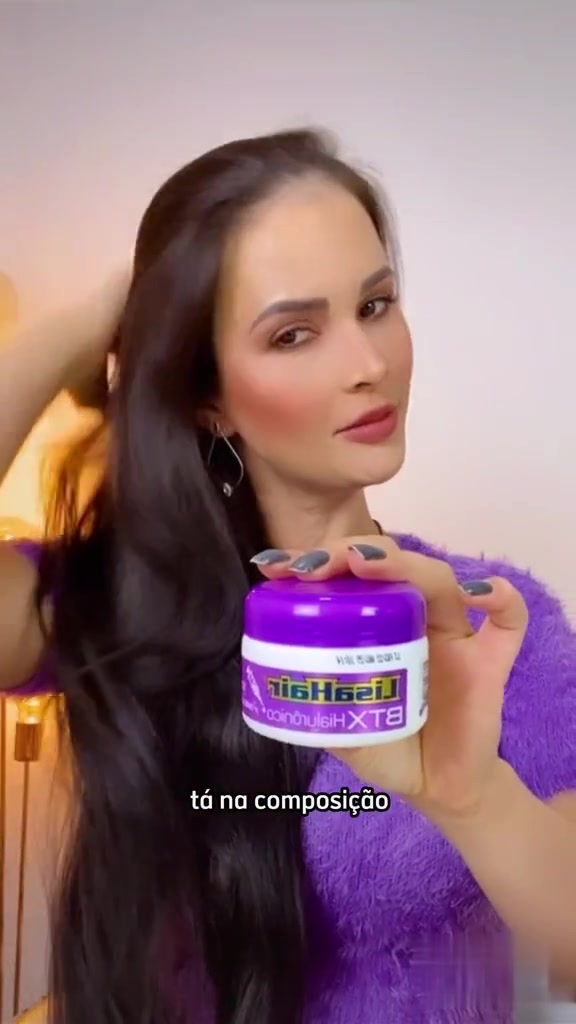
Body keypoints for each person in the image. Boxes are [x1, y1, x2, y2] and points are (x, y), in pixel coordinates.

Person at [0, 127, 575, 1024]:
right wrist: (95, 321)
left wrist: (476, 799)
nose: (370, 365)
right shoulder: (126, 611)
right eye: (295, 332)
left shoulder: (494, 628)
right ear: (208, 397)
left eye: (376, 305)